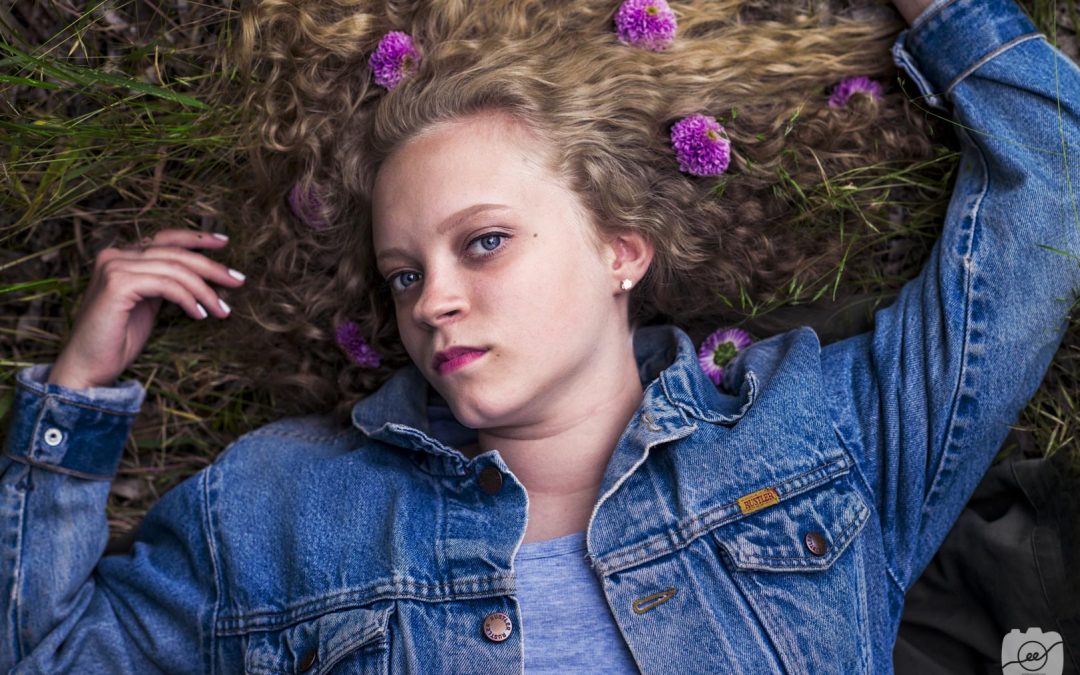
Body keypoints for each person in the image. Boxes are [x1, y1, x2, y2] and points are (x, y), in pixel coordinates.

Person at [2, 0, 1077, 672]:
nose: (431, 303)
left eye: (484, 245)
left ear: (622, 249)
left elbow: (1052, 189)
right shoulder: (285, 510)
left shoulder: (826, 435)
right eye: (403, 275)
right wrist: (76, 404)